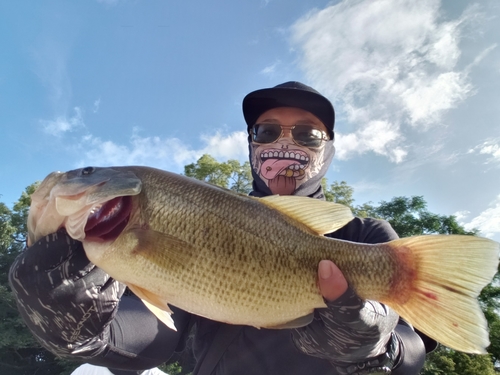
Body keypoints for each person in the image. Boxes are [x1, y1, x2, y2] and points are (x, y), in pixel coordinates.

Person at [9, 81, 435, 375]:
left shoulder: (366, 236)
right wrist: (81, 325)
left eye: (307, 134)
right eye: (267, 131)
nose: (285, 144)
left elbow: (414, 351)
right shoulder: (198, 222)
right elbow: (151, 334)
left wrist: (373, 350)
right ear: (252, 143)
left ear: (328, 149)